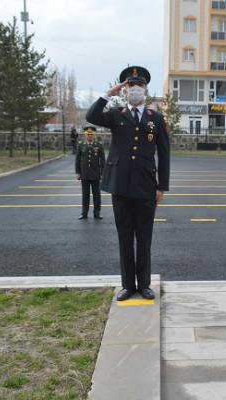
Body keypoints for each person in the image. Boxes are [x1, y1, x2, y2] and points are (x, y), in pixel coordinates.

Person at [86, 66, 170, 301]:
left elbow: (164, 155)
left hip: (146, 186)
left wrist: (161, 186)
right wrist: (108, 94)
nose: (135, 89)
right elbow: (92, 116)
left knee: (144, 237)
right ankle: (127, 285)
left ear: (146, 90)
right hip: (120, 185)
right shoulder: (115, 114)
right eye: (130, 86)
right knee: (124, 236)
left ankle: (144, 285)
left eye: (139, 85)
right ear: (124, 90)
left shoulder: (156, 118)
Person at [75, 126, 105, 220]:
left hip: (95, 174)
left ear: (94, 135)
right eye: (88, 134)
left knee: (97, 194)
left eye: (91, 134)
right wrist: (77, 172)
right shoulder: (81, 145)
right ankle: (84, 213)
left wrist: (102, 173)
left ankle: (97, 213)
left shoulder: (99, 145)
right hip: (84, 174)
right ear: (85, 135)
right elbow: (77, 160)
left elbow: (102, 160)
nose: (90, 136)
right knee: (85, 194)